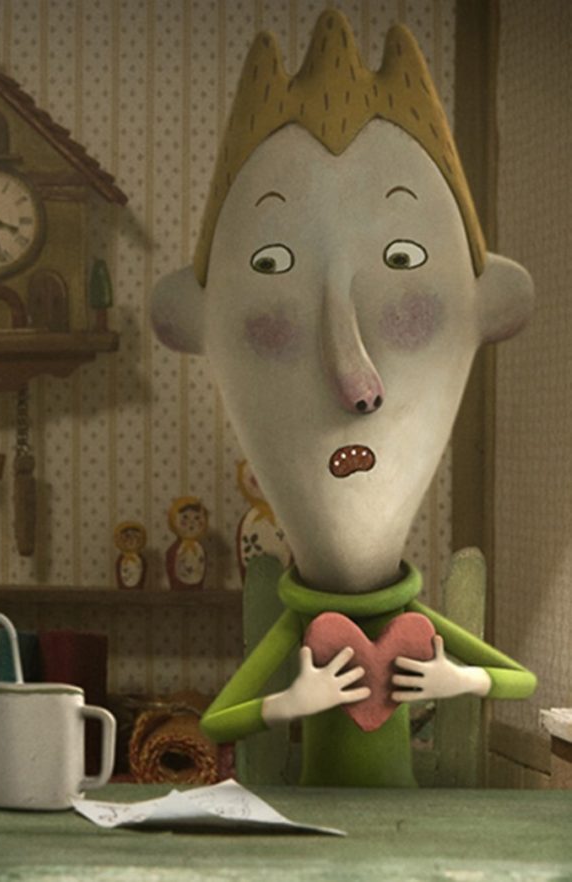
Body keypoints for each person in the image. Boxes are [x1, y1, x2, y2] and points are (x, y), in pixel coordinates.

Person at [152, 10, 536, 786]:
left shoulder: (411, 624)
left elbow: (517, 682)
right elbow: (220, 721)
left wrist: (454, 678)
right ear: (192, 319)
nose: (353, 380)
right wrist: (297, 700)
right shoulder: (308, 625)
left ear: (492, 304)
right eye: (271, 263)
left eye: (404, 256)